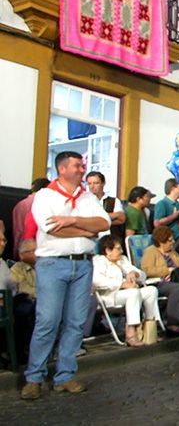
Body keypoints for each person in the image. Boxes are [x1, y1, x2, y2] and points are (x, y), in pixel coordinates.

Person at [21, 151, 111, 400]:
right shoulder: (45, 196)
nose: (82, 170)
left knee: (75, 322)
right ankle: (34, 377)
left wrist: (71, 220)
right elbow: (51, 230)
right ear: (62, 169)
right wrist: (87, 231)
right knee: (47, 321)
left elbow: (104, 224)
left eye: (82, 166)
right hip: (53, 264)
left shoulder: (87, 197)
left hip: (82, 265)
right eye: (77, 166)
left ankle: (64, 376)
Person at [92, 235, 159, 347]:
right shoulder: (99, 261)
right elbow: (97, 281)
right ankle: (131, 333)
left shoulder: (122, 259)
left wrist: (135, 273)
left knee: (151, 290)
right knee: (133, 293)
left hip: (129, 293)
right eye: (118, 248)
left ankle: (149, 330)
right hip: (109, 295)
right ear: (108, 250)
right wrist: (122, 284)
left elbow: (143, 276)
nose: (121, 251)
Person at [140, 226, 179, 336]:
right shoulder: (150, 252)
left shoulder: (172, 253)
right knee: (177, 288)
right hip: (158, 282)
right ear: (161, 242)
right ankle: (174, 323)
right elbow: (147, 271)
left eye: (172, 239)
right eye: (169, 240)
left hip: (176, 280)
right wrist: (167, 270)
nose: (172, 242)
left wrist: (177, 268)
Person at [10, 239, 37, 365]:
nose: (35, 253)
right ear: (22, 255)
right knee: (25, 309)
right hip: (27, 301)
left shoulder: (45, 267)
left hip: (44, 300)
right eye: (31, 251)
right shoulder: (17, 269)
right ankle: (26, 351)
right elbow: (22, 289)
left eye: (36, 250)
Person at [11, 178, 49, 261]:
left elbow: (17, 232)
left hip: (23, 250)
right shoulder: (47, 204)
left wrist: (16, 253)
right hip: (42, 251)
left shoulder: (20, 205)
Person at [85, 171, 125, 241]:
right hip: (91, 239)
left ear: (103, 183)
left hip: (110, 239)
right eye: (89, 183)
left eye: (96, 183)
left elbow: (121, 218)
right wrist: (111, 216)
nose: (92, 186)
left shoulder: (113, 201)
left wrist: (96, 221)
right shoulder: (84, 201)